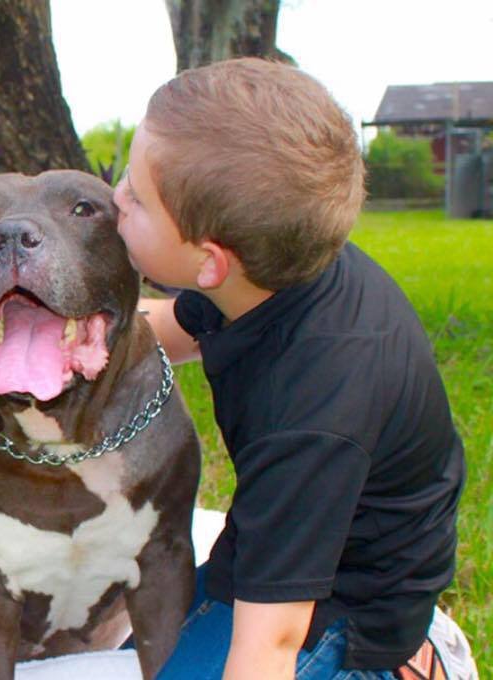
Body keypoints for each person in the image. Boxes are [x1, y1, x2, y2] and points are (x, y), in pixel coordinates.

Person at [117, 58, 465, 680]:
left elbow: (271, 645)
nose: (114, 197)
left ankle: (410, 661)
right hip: (279, 541)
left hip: (349, 607)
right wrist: (73, 334)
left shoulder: (310, 412)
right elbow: (167, 330)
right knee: (125, 658)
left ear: (210, 262)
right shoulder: (270, 270)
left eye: (135, 198)